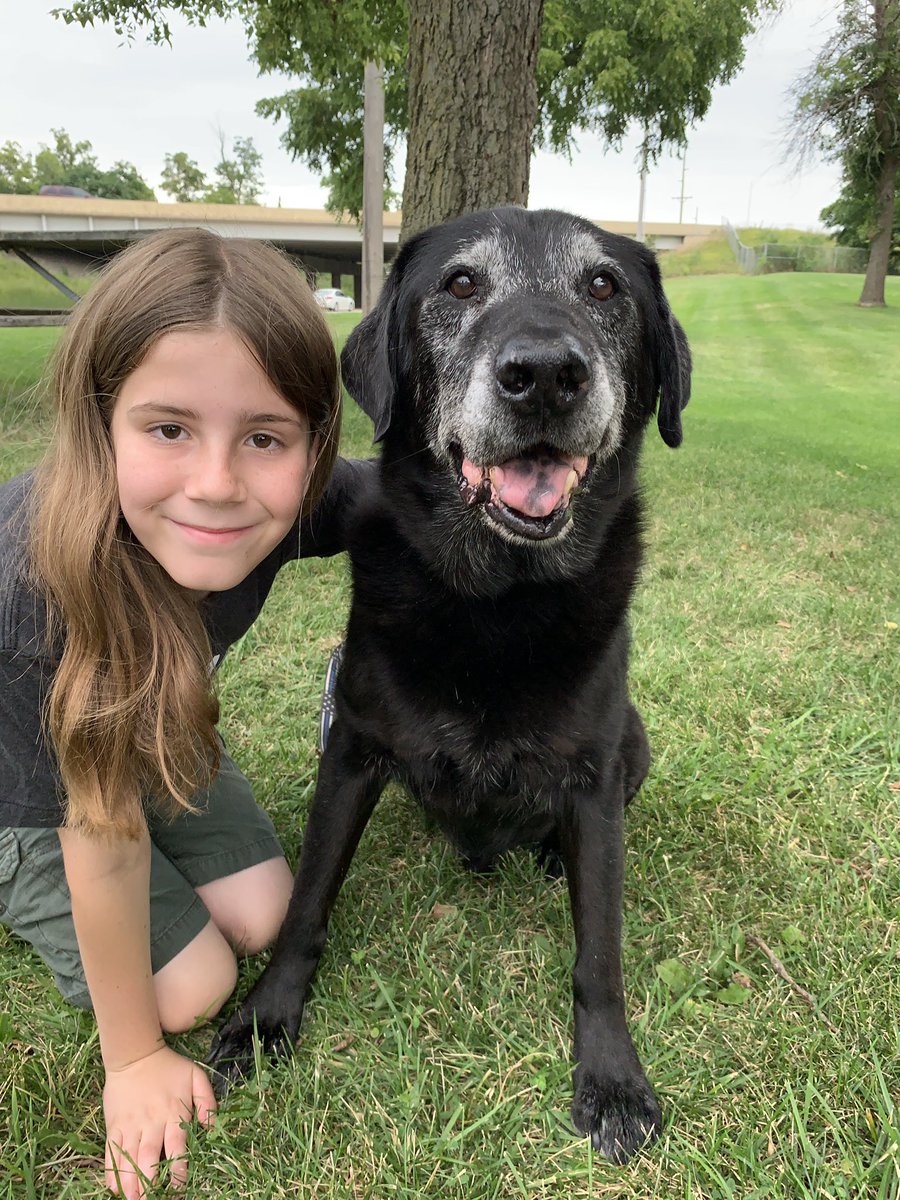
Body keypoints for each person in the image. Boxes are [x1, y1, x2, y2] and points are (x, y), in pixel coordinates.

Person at [0, 228, 364, 1198]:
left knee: (269, 917)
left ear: (311, 443)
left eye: (263, 436)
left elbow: (402, 501)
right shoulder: (46, 591)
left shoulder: (281, 504)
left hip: (158, 740)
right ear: (100, 425)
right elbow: (103, 839)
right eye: (168, 429)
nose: (217, 482)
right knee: (192, 989)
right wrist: (130, 1062)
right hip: (34, 798)